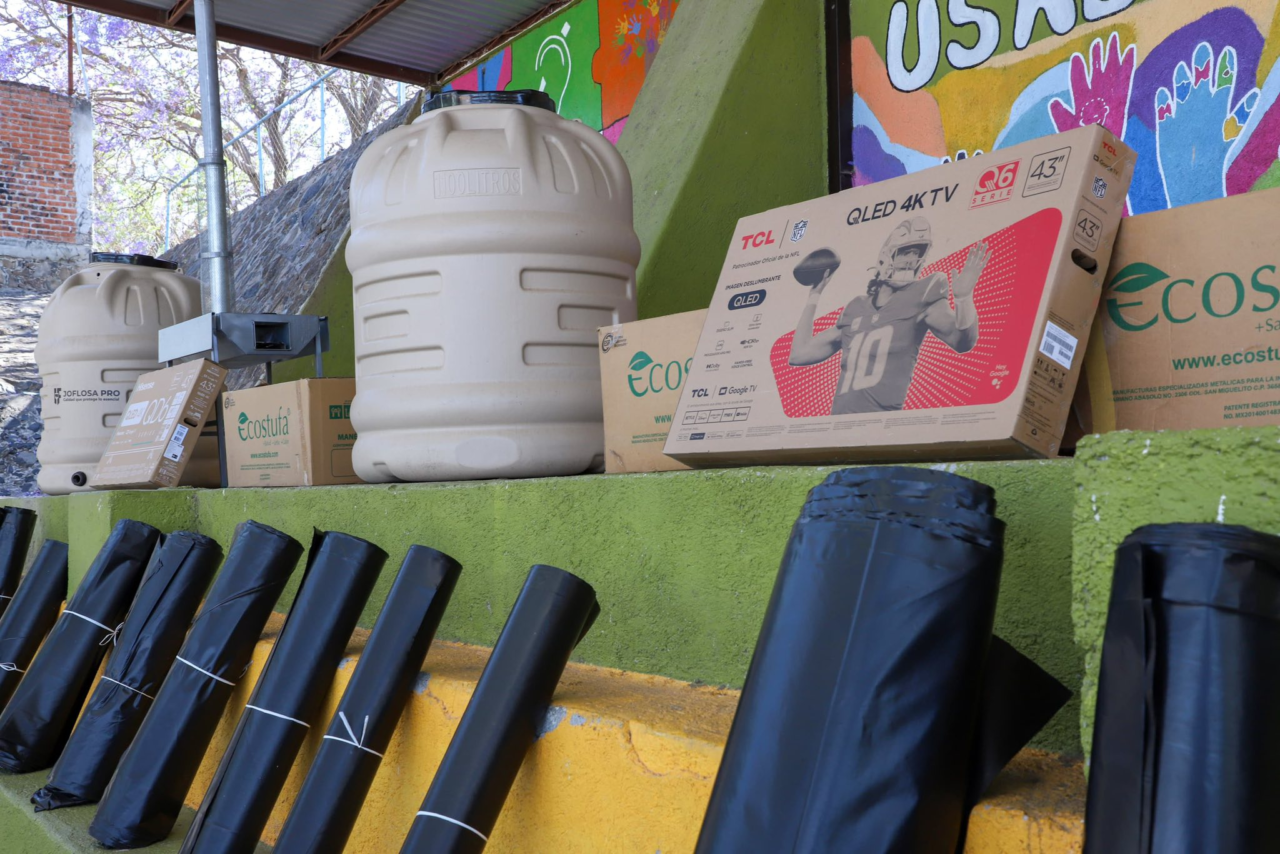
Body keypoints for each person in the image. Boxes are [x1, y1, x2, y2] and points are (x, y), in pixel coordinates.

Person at [789, 216, 989, 414]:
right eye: (906, 252)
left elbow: (962, 341)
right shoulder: (856, 307)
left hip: (880, 425)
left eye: (917, 253)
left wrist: (964, 299)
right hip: (839, 423)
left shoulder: (923, 295)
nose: (911, 260)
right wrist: (814, 295)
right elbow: (799, 354)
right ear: (886, 255)